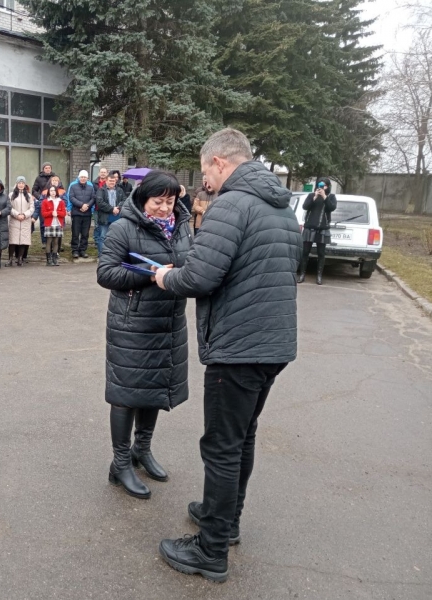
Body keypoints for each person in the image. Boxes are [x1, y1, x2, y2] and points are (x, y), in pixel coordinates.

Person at [153, 128, 301, 583]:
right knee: (243, 437)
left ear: (219, 161)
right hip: (273, 343)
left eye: (205, 173)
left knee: (220, 445)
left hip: (238, 346)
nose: (206, 183)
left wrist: (164, 277)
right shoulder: (281, 207)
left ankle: (211, 549)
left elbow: (200, 277)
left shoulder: (232, 205)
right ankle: (226, 518)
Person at [97, 170, 193, 500]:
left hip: (168, 321)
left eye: (171, 201)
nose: (165, 208)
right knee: (126, 393)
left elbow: (189, 262)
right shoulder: (124, 227)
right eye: (158, 202)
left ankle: (142, 450)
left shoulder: (182, 226)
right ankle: (120, 463)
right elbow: (106, 272)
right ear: (142, 200)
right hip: (132, 324)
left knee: (153, 388)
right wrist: (151, 276)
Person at [298, 178, 337, 285]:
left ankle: (319, 276)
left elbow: (332, 208)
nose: (321, 187)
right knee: (305, 252)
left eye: (324, 185)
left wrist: (324, 196)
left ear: (328, 186)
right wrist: (315, 197)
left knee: (321, 253)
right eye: (320, 185)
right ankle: (302, 275)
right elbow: (305, 206)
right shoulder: (311, 195)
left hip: (323, 228)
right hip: (309, 227)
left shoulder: (331, 197)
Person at [94, 172, 127, 256]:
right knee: (103, 237)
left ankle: (114, 255)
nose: (112, 182)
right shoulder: (101, 190)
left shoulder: (119, 190)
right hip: (105, 217)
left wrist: (118, 208)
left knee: (116, 238)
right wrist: (112, 209)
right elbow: (100, 203)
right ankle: (102, 255)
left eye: (113, 181)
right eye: (110, 181)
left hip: (117, 218)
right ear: (106, 181)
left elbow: (124, 200)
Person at [68, 170, 95, 259]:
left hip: (87, 213)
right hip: (76, 213)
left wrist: (87, 205)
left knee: (85, 233)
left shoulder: (91, 187)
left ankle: (83, 250)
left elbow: (93, 198)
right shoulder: (73, 186)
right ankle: (75, 250)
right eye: (82, 177)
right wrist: (81, 205)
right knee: (75, 233)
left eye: (85, 177)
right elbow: (71, 197)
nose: (83, 179)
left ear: (87, 178)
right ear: (79, 178)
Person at [8, 176, 34, 266]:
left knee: (23, 240)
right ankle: (10, 259)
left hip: (25, 220)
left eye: (23, 183)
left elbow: (32, 208)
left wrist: (25, 215)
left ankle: (20, 258)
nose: (21, 185)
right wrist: (17, 214)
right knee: (12, 241)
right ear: (17, 184)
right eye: (19, 183)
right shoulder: (11, 195)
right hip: (14, 220)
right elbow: (9, 207)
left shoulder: (29, 196)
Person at [40, 185, 67, 266]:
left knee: (56, 242)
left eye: (54, 190)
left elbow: (64, 213)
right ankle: (48, 259)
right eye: (51, 190)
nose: (53, 192)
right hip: (49, 223)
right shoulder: (45, 201)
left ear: (56, 192)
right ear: (49, 192)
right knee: (49, 241)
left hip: (58, 223)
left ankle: (55, 258)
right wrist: (51, 213)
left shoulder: (61, 201)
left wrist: (57, 213)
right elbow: (43, 213)